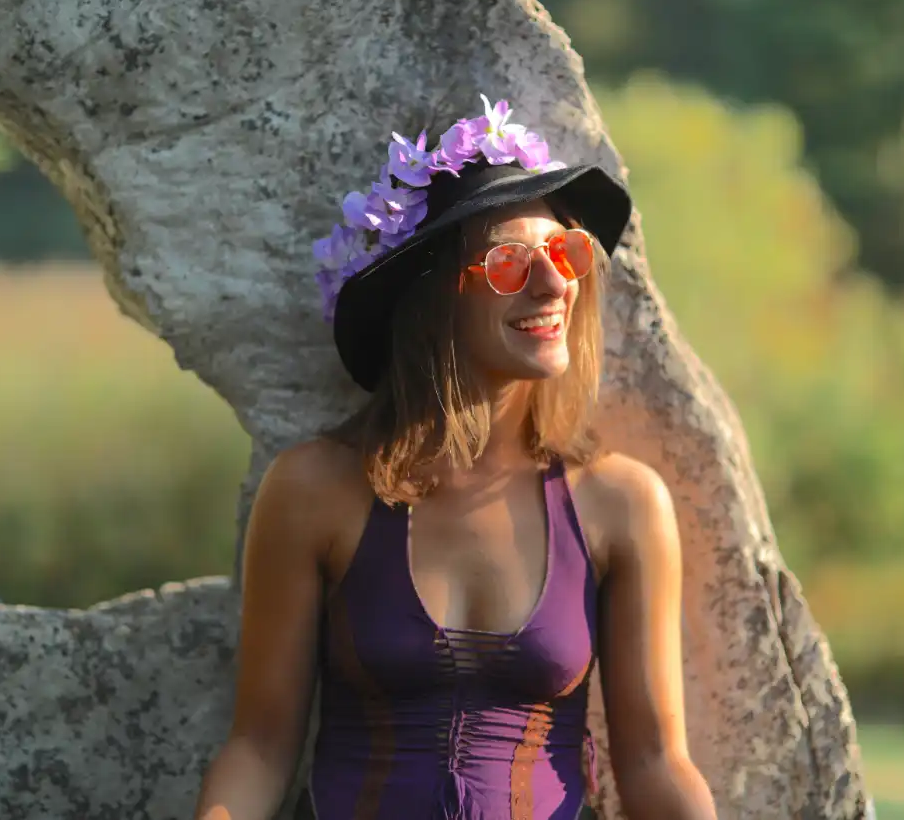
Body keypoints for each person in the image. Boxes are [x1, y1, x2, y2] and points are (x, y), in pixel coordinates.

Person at [194, 96, 717, 820]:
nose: (554, 283)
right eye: (508, 262)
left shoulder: (620, 504)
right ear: (432, 294)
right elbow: (259, 747)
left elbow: (657, 763)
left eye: (564, 253)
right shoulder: (315, 490)